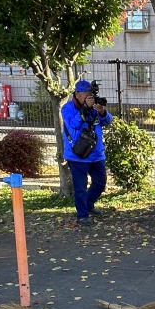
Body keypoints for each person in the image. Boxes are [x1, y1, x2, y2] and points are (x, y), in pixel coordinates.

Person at [61, 80, 113, 226]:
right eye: (86, 95)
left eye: (91, 95)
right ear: (77, 94)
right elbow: (74, 124)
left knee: (100, 183)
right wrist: (84, 109)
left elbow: (107, 121)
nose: (90, 98)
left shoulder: (94, 106)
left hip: (96, 154)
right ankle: (82, 215)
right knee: (80, 188)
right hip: (77, 155)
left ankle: (88, 204)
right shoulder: (67, 108)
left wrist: (102, 112)